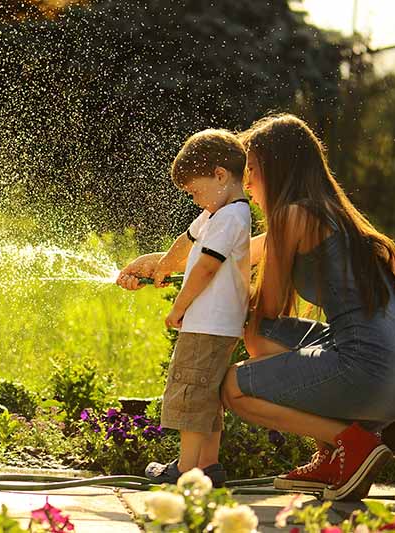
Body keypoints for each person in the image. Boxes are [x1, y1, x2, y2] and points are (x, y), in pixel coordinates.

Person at [216, 113, 395, 501]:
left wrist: (212, 299)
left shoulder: (292, 215)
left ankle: (348, 444)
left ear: (275, 167)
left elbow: (263, 309)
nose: (246, 182)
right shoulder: (327, 213)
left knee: (234, 387)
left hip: (376, 371)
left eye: (251, 170)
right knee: (266, 338)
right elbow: (222, 253)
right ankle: (336, 452)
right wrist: (159, 266)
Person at [117, 129, 251, 487]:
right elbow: (187, 243)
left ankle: (185, 469)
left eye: (195, 191)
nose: (195, 200)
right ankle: (208, 466)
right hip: (215, 325)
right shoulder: (217, 213)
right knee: (205, 395)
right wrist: (158, 266)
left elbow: (206, 266)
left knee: (190, 393)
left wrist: (179, 308)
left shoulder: (230, 217)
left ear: (220, 175)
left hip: (206, 325)